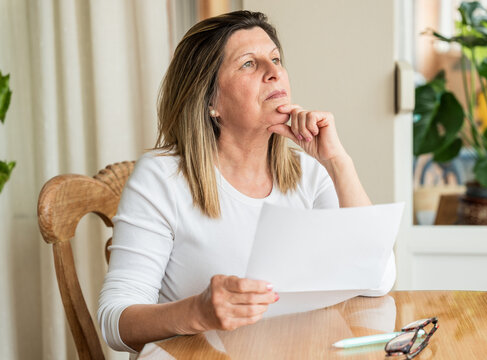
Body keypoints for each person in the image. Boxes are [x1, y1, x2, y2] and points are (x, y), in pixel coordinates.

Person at [98, 10, 395, 354]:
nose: (274, 73)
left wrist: (338, 163)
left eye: (275, 59)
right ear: (211, 100)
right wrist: (197, 312)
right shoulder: (162, 178)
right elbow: (113, 323)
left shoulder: (309, 172)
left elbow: (376, 281)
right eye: (249, 64)